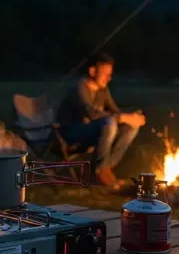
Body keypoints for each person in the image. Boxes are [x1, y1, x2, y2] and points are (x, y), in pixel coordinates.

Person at [56, 53, 146, 186]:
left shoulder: (102, 90)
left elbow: (115, 112)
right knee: (110, 122)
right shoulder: (79, 87)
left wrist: (133, 117)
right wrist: (122, 117)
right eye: (105, 74)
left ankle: (107, 167)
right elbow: (92, 114)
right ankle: (100, 170)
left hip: (93, 131)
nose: (109, 78)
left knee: (131, 126)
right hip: (71, 133)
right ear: (92, 71)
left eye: (110, 74)